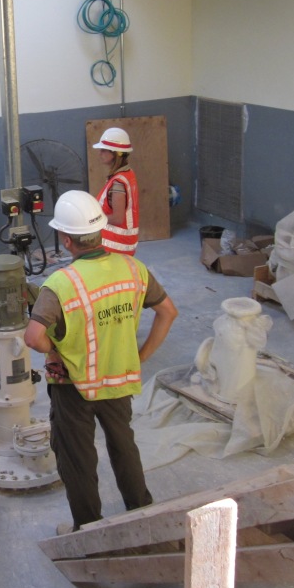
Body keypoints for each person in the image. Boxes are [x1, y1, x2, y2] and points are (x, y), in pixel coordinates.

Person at [23, 190, 178, 533]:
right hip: (119, 378)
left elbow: (33, 337)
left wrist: (54, 351)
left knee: (77, 458)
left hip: (73, 386)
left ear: (66, 240)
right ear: (100, 230)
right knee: (124, 445)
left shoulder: (61, 284)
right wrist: (139, 358)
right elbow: (168, 312)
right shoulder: (134, 269)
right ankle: (141, 513)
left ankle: (89, 530)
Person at [92, 127, 139, 255]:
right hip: (121, 243)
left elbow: (118, 218)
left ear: (115, 153)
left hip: (115, 245)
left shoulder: (118, 182)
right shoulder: (127, 174)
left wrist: (94, 220)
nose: (100, 154)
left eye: (103, 150)